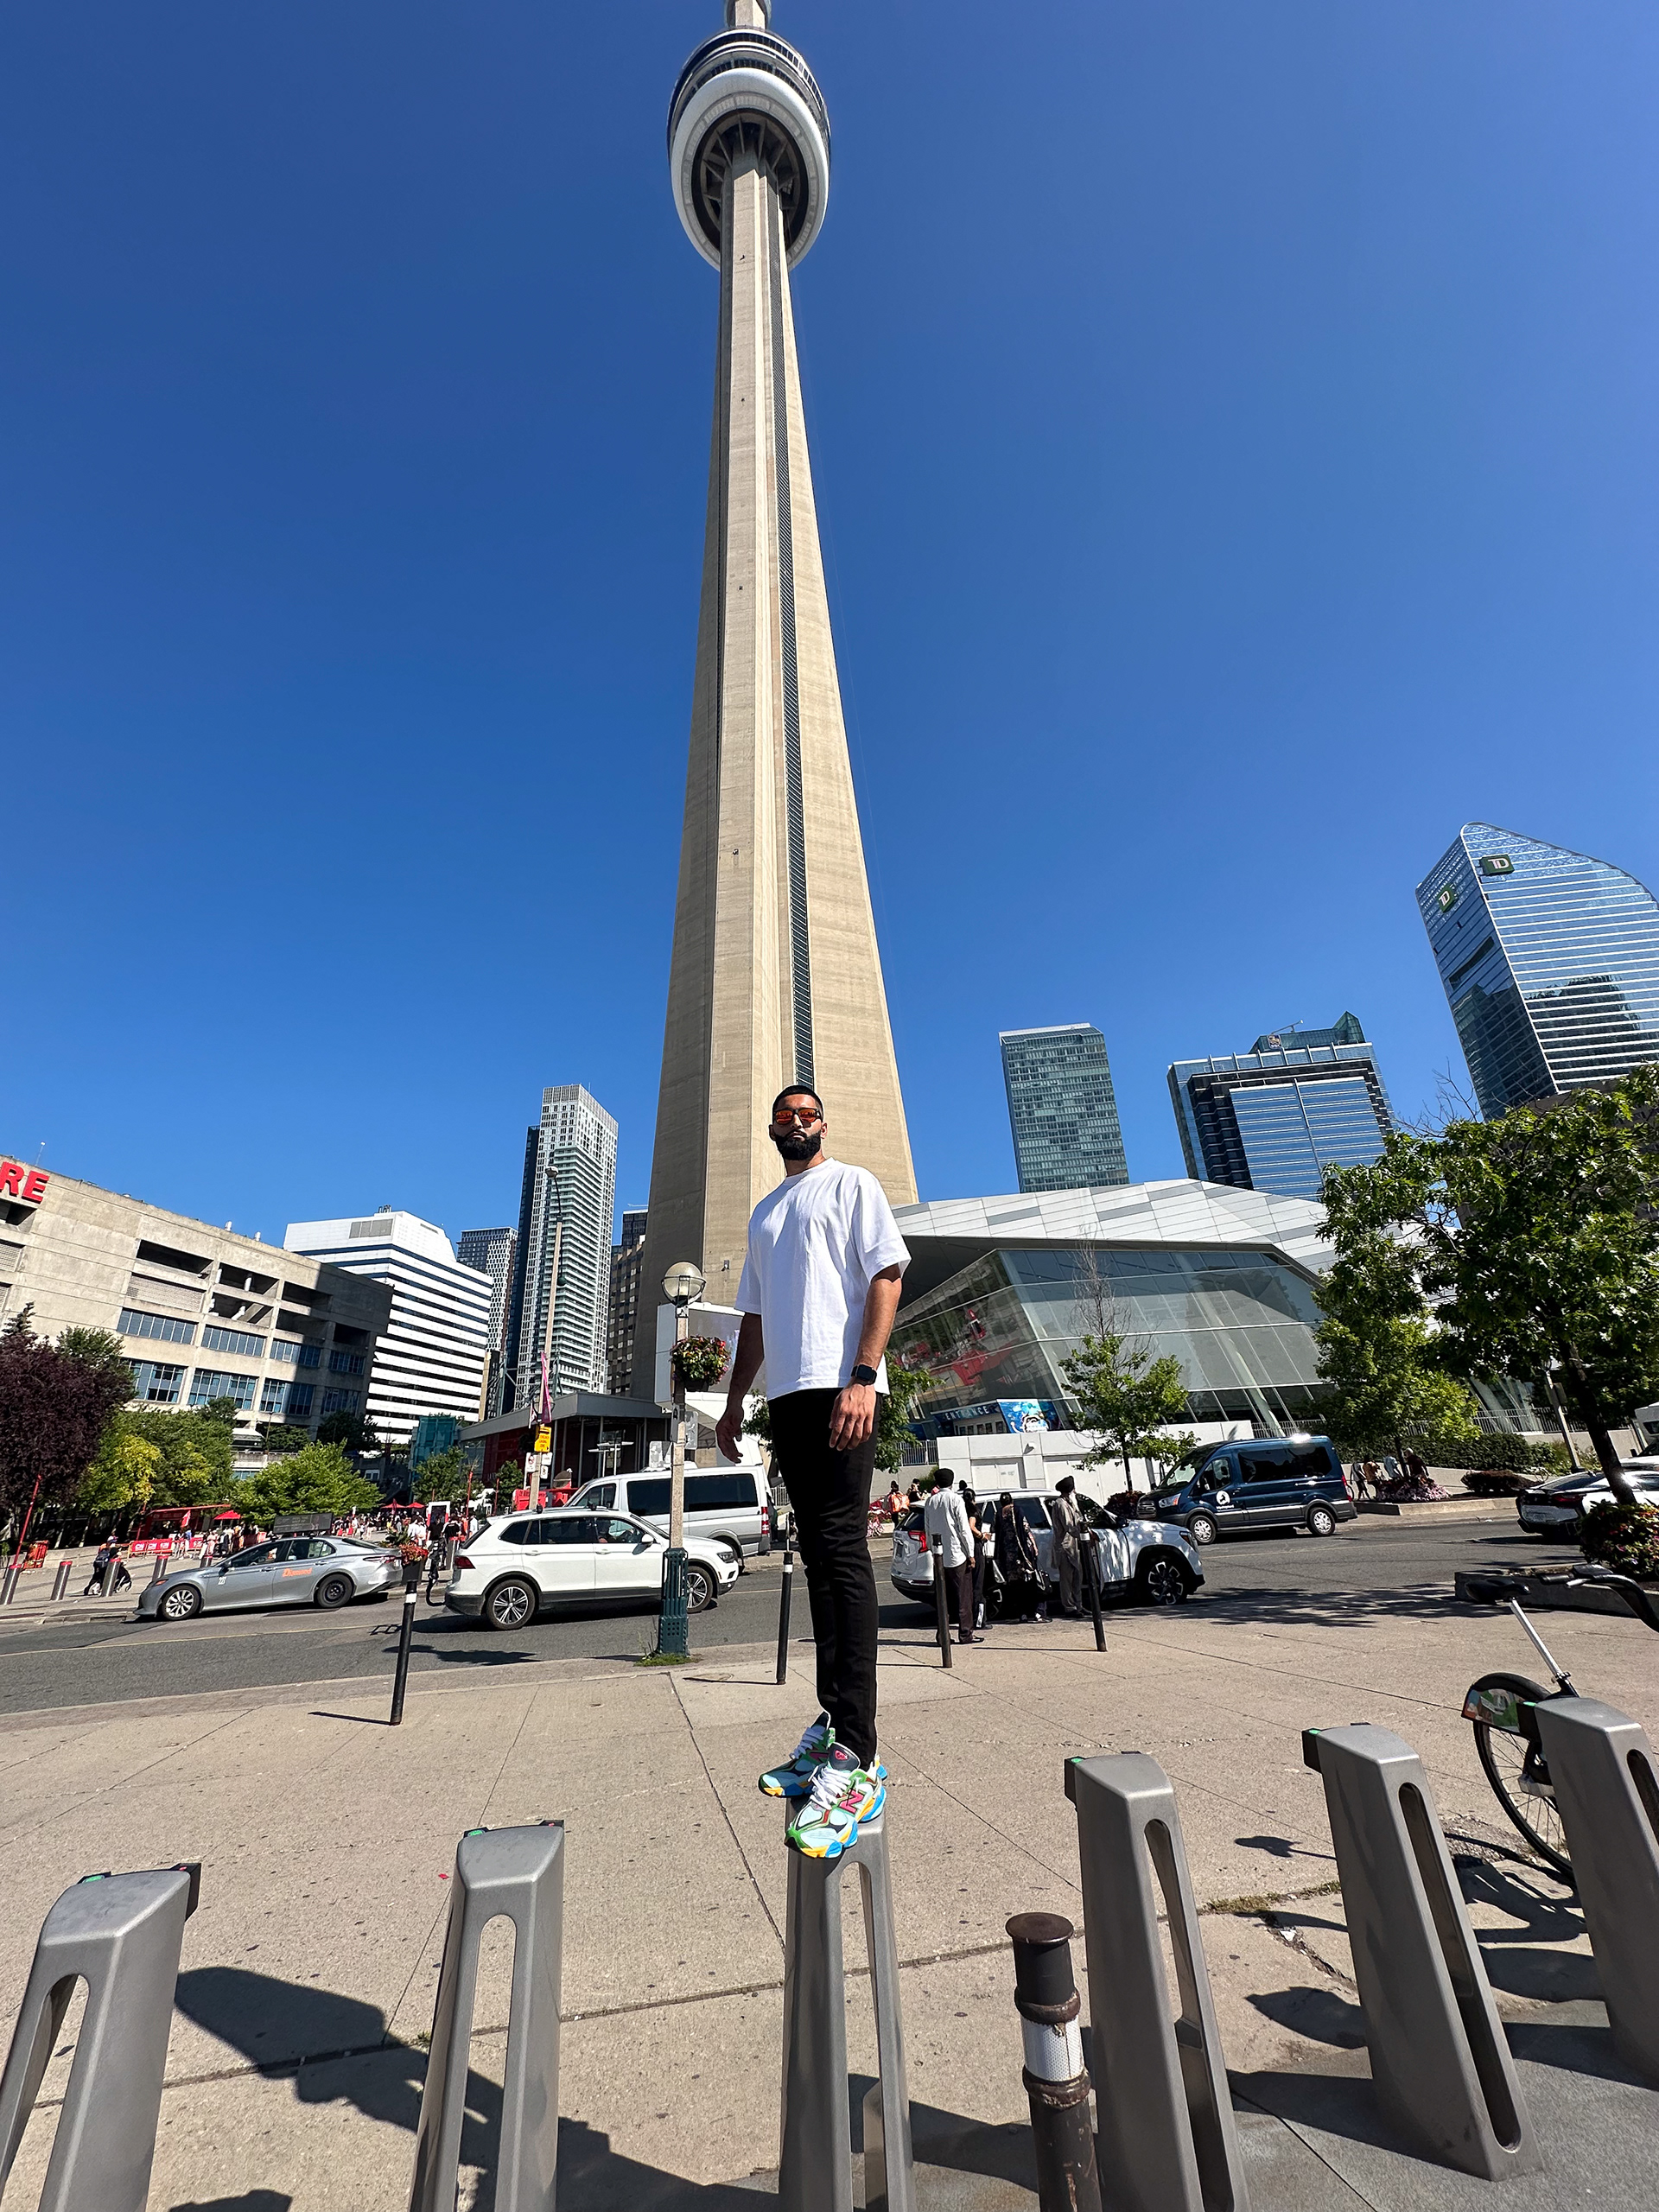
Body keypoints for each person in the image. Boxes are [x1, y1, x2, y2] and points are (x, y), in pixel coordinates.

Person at [717, 1085, 908, 1860]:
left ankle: (856, 1757)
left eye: (807, 1112)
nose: (795, 1121)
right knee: (819, 1561)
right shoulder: (764, 1213)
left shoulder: (854, 1183)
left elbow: (886, 1276)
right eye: (784, 1113)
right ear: (770, 1127)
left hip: (842, 1387)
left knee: (843, 1552)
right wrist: (732, 1403)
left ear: (822, 1123)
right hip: (787, 1397)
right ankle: (831, 1727)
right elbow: (756, 1320)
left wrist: (864, 1375)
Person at [924, 1471, 976, 1644]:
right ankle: (966, 1633)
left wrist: (932, 1550)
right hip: (957, 1555)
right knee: (963, 1597)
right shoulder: (955, 1500)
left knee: (942, 1598)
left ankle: (943, 1635)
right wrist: (971, 1553)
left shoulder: (930, 1501)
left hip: (939, 1555)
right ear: (952, 1482)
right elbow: (963, 1529)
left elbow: (928, 1528)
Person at [995, 1493, 1045, 1621]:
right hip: (1020, 1553)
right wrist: (1033, 1545)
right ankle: (1033, 1612)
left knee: (1014, 1585)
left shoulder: (999, 1514)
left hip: (1007, 1555)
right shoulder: (1017, 1510)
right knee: (1028, 1582)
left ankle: (1020, 1613)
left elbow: (997, 1531)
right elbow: (1026, 1529)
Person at [1051, 1476, 1084, 1618]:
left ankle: (1079, 1605)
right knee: (1067, 1579)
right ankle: (1070, 1607)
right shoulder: (1061, 1504)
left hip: (1073, 1546)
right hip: (1064, 1547)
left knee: (1078, 1577)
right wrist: (1082, 1534)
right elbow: (1069, 1526)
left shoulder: (1070, 1503)